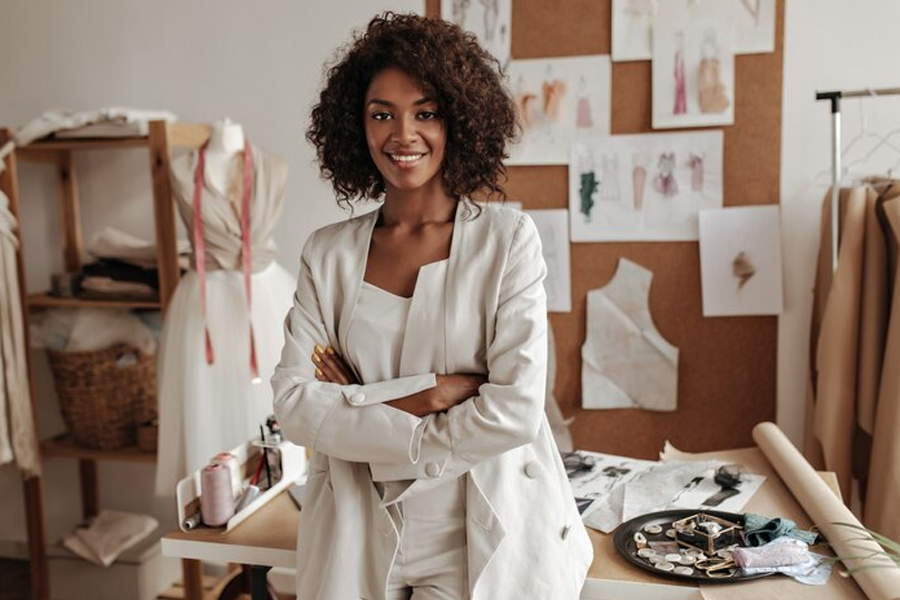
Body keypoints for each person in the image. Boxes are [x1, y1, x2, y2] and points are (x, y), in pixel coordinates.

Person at [272, 12, 592, 600]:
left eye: (425, 112)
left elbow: (515, 412)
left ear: (459, 120)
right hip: (357, 524)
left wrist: (360, 404)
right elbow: (294, 406)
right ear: (356, 125)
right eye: (381, 114)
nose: (403, 134)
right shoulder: (328, 254)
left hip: (478, 531)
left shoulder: (507, 241)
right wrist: (432, 395)